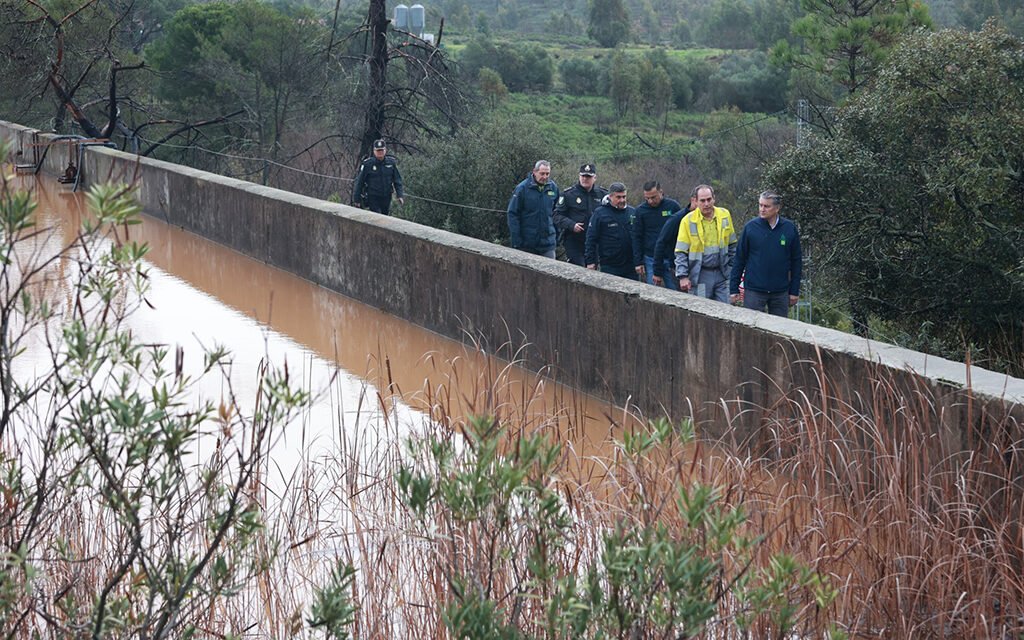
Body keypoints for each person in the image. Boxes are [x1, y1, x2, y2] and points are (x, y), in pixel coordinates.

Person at [729, 190, 802, 317]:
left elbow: (796, 261)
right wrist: (733, 288)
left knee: (780, 331)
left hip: (780, 291)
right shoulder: (750, 227)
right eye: (760, 205)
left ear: (777, 208)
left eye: (766, 206)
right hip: (754, 291)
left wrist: (794, 290)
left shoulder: (789, 228)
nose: (762, 209)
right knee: (752, 330)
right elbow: (740, 259)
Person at [674, 184, 736, 302]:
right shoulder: (688, 221)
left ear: (714, 199)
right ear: (695, 201)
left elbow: (732, 245)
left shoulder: (724, 215)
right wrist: (683, 276)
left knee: (726, 310)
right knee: (701, 310)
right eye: (702, 201)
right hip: (700, 274)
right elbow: (680, 252)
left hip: (722, 273)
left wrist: (733, 270)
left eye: (709, 199)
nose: (706, 204)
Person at [553, 163, 608, 266]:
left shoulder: (602, 194)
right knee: (579, 268)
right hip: (574, 240)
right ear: (579, 176)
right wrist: (571, 225)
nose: (585, 179)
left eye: (588, 176)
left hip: (594, 242)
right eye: (583, 176)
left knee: (592, 271)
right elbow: (557, 216)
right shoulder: (568, 194)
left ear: (594, 178)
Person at [631, 181, 682, 288]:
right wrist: (638, 261)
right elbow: (636, 237)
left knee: (674, 290)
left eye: (653, 197)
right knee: (652, 291)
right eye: (647, 198)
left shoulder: (673, 207)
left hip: (670, 258)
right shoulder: (640, 211)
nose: (650, 201)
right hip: (650, 258)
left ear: (661, 192)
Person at [507, 160, 559, 258]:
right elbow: (512, 214)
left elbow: (557, 213)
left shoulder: (553, 188)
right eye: (542, 173)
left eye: (547, 174)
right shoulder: (522, 189)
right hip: (527, 244)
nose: (545, 177)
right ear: (534, 172)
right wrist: (517, 241)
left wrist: (556, 236)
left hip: (548, 244)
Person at [585, 182, 637, 279]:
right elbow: (591, 239)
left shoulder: (632, 212)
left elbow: (638, 237)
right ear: (610, 197)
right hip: (609, 265)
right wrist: (590, 261)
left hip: (631, 265)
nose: (622, 200)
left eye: (624, 197)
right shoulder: (600, 213)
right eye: (618, 197)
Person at [652, 190, 697, 287]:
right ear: (693, 200)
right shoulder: (676, 219)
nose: (706, 205)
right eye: (701, 201)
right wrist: (657, 271)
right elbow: (661, 242)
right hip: (679, 268)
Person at [352, 139, 404, 215]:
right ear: (374, 151)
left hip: (386, 196)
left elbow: (397, 180)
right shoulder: (368, 164)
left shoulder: (391, 163)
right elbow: (360, 182)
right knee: (377, 216)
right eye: (378, 151)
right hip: (373, 197)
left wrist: (400, 195)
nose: (380, 152)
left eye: (382, 150)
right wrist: (357, 199)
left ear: (385, 150)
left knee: (385, 216)